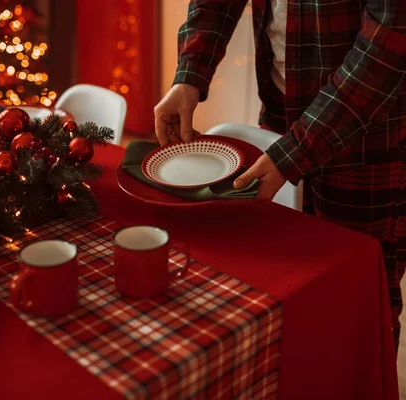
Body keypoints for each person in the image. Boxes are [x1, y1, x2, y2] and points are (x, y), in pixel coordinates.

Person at [154, 0, 406, 350]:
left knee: (355, 314)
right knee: (276, 290)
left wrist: (296, 150)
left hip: (364, 145)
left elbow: (389, 42)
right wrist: (189, 74)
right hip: (279, 119)